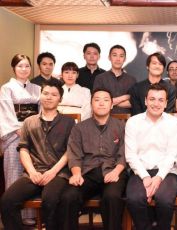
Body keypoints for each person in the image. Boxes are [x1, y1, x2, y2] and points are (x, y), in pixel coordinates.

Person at [0, 80, 75, 230]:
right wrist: (32, 172)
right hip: (33, 173)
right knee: (7, 201)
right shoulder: (29, 122)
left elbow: (70, 151)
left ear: (60, 99)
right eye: (45, 93)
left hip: (58, 173)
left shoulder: (69, 122)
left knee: (50, 199)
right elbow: (24, 149)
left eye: (54, 94)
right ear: (40, 95)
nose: (49, 97)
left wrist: (52, 172)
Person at [59, 88, 128, 230]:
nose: (101, 103)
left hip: (113, 171)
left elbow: (124, 153)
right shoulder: (79, 128)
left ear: (111, 105)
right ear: (91, 104)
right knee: (68, 197)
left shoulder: (121, 126)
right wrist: (76, 174)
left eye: (106, 100)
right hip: (87, 172)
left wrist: (116, 172)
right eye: (97, 100)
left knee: (112, 198)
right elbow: (75, 154)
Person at [125, 84, 177, 230]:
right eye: (152, 99)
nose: (156, 103)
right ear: (145, 101)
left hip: (166, 171)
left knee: (165, 200)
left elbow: (172, 154)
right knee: (135, 199)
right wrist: (145, 177)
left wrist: (159, 177)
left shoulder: (173, 122)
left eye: (161, 100)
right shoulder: (133, 122)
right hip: (140, 170)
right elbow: (131, 155)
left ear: (166, 103)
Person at [0, 54, 41, 224]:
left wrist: (34, 131)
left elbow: (41, 112)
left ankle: (30, 215)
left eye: (27, 66)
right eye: (20, 66)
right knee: (14, 173)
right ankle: (13, 216)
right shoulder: (6, 88)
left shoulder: (37, 88)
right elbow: (6, 113)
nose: (24, 69)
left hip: (34, 134)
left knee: (31, 173)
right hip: (15, 134)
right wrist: (21, 131)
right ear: (14, 68)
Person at [93, 44, 136, 114]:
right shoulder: (100, 78)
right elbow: (97, 101)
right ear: (109, 57)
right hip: (105, 119)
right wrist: (125, 97)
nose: (118, 59)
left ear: (125, 59)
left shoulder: (132, 80)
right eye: (114, 55)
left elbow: (133, 103)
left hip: (126, 120)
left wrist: (109, 102)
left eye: (121, 56)